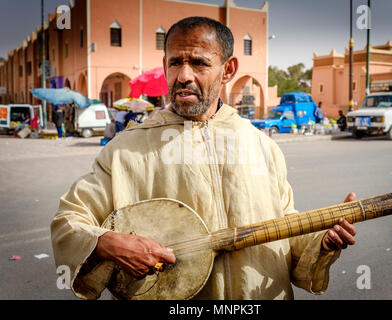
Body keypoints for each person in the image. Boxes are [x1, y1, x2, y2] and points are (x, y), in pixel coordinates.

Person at [51, 16, 356, 300]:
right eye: (175, 63)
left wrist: (322, 243)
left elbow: (286, 232)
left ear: (228, 69)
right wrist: (107, 243)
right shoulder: (124, 151)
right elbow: (69, 221)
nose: (184, 76)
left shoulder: (262, 147)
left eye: (198, 63)